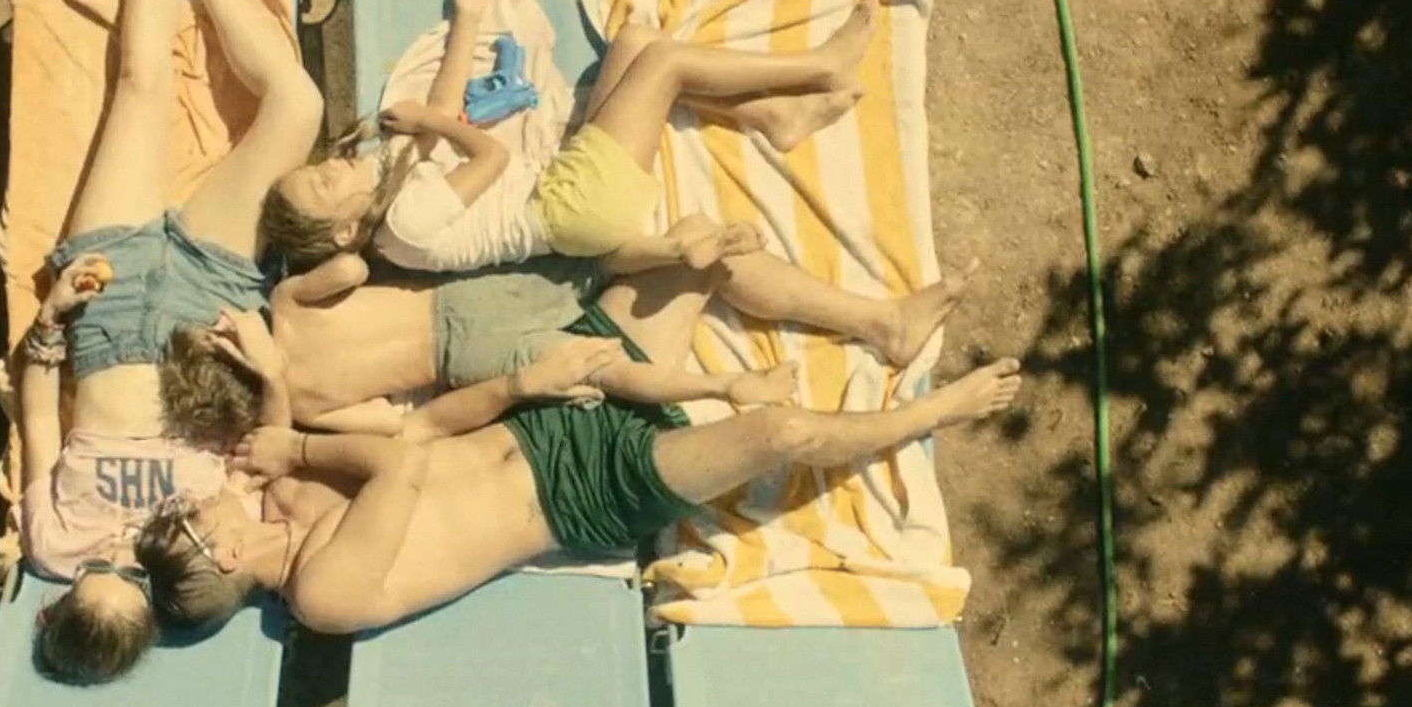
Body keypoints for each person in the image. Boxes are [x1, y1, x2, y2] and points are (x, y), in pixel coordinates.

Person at [137, 270, 1023, 634]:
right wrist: (296, 444)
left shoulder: (282, 502)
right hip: (590, 493)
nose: (200, 496)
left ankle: (884, 324)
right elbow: (397, 464)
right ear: (222, 554)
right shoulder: (321, 595)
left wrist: (528, 381)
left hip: (543, 418)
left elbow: (425, 431)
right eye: (191, 514)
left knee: (702, 256)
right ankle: (930, 414)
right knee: (781, 433)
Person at [13, 0, 322, 683]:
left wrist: (51, 320)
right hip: (202, 323)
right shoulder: (196, 568)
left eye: (99, 572)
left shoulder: (51, 543)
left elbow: (40, 415)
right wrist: (269, 371)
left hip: (104, 308)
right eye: (134, 578)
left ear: (58, 597)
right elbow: (266, 455)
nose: (119, 554)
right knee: (296, 109)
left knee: (142, 85)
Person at [260, 0, 879, 275]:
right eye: (323, 184)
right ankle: (820, 64)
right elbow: (490, 156)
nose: (332, 165)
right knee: (662, 64)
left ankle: (772, 116)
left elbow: (441, 114)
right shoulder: (404, 222)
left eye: (319, 167)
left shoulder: (389, 185)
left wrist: (468, 17)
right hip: (576, 208)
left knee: (636, 41)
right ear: (344, 232)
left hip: (562, 179)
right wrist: (425, 117)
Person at [267, 242, 976, 422]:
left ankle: (724, 385)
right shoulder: (285, 305)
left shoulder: (300, 406)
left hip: (457, 358)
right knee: (654, 256)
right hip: (456, 303)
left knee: (602, 367)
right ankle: (881, 322)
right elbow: (352, 268)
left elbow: (396, 424)